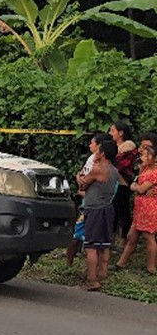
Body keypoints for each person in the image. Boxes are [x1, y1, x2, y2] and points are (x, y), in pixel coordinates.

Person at [76, 137, 119, 291]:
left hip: (94, 209)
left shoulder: (98, 169)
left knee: (91, 246)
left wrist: (78, 175)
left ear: (102, 153)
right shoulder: (114, 171)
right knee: (104, 244)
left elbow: (82, 184)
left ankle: (92, 279)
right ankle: (102, 273)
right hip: (107, 207)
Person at [113, 144, 157, 275]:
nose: (142, 158)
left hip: (149, 208)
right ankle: (121, 263)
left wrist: (137, 187)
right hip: (140, 208)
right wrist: (137, 187)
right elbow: (135, 184)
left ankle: (151, 267)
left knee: (149, 237)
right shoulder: (143, 170)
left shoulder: (154, 173)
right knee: (132, 236)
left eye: (145, 155)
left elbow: (141, 188)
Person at [65, 132, 105, 265]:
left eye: (92, 143)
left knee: (88, 239)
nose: (90, 145)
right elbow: (81, 175)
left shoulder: (101, 168)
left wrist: (83, 185)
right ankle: (70, 262)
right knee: (79, 234)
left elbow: (85, 181)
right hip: (87, 200)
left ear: (99, 147)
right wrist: (79, 179)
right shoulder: (91, 159)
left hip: (92, 203)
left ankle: (93, 272)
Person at [110, 120, 138, 241]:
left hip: (123, 183)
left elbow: (118, 166)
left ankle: (124, 238)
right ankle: (111, 237)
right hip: (112, 183)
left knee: (123, 210)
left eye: (112, 131)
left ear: (120, 133)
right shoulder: (113, 147)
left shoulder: (128, 148)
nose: (110, 133)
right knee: (113, 210)